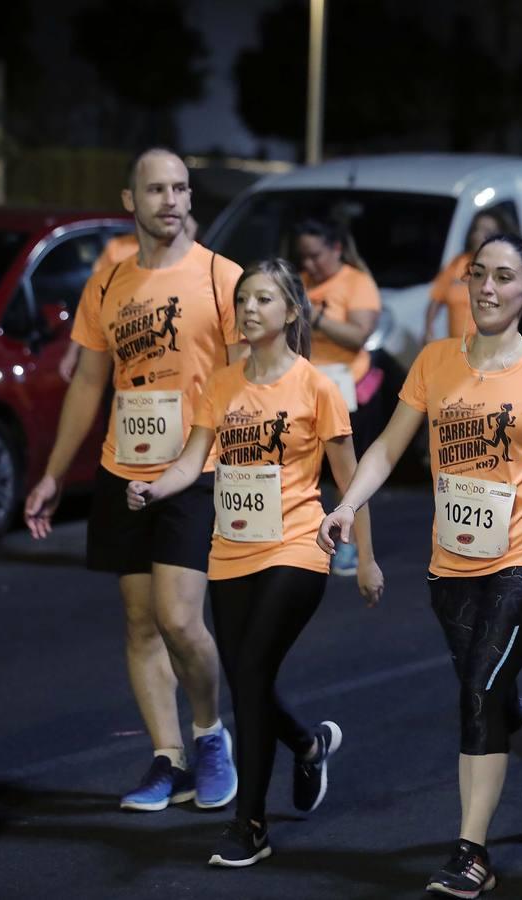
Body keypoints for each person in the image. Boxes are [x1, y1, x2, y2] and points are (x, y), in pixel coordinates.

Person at [318, 233, 522, 898]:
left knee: (479, 691)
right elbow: (386, 447)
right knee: (491, 692)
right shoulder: (434, 363)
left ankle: (471, 854)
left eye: (504, 278)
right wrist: (346, 506)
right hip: (452, 561)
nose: (487, 288)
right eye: (478, 275)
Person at [127, 258, 384, 866]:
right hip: (232, 550)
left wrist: (366, 558)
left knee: (247, 673)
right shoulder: (221, 384)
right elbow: (193, 461)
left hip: (299, 545)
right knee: (250, 677)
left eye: (264, 299)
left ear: (291, 312)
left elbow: (351, 481)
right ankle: (307, 742)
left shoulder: (317, 386)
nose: (249, 309)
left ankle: (251, 825)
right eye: (243, 299)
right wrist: (156, 488)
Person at [24, 148, 243, 811]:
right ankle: (166, 758)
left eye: (180, 188)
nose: (171, 200)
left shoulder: (220, 278)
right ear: (131, 201)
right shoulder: (110, 283)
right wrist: (55, 474)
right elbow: (90, 381)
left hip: (199, 471)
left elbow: (247, 383)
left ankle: (209, 736)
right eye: (157, 190)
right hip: (125, 469)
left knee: (180, 619)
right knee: (140, 623)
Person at [295, 218, 382, 577]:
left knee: (347, 474)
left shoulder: (356, 282)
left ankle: (352, 546)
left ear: (336, 249)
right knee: (305, 469)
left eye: (316, 256)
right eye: (304, 258)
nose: (310, 265)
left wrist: (315, 317)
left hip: (348, 386)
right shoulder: (299, 282)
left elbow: (359, 335)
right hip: (304, 386)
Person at [59, 215, 199, 383]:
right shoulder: (117, 250)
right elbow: (94, 301)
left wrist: (186, 231)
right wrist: (73, 352)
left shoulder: (171, 253)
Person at [425, 207, 517, 342]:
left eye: (486, 231)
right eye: (476, 229)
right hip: (457, 349)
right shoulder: (457, 263)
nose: (478, 235)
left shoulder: (504, 267)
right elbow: (436, 298)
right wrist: (428, 330)